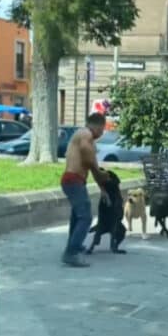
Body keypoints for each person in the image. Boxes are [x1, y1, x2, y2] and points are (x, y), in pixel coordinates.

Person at [61, 113, 111, 268]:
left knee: (77, 216)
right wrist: (100, 172)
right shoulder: (85, 134)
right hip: (73, 179)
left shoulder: (87, 138)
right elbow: (90, 160)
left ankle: (73, 245)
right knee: (86, 217)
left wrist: (101, 187)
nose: (101, 134)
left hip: (74, 180)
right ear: (96, 126)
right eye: (102, 130)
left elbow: (91, 164)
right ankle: (71, 253)